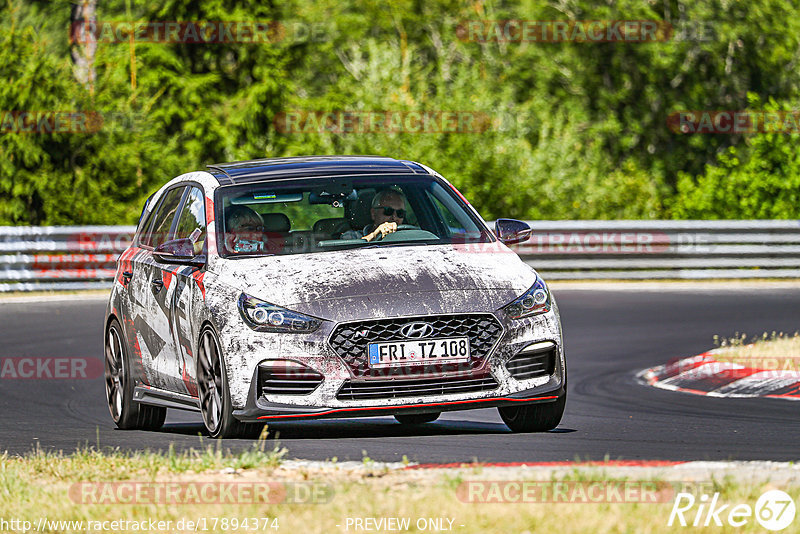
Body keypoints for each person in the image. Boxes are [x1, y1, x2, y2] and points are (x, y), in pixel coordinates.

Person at [342, 188, 408, 242]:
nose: (394, 217)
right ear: (373, 213)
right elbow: (350, 254)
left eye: (400, 213)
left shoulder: (410, 237)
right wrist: (375, 235)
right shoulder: (352, 236)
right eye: (388, 211)